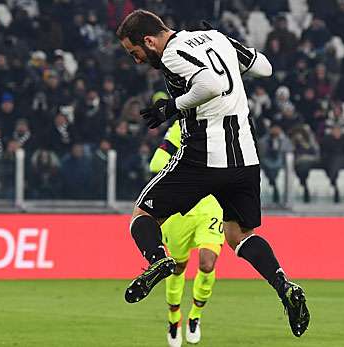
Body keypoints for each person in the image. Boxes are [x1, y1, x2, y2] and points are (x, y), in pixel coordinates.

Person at [116, 10, 309, 337]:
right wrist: (229, 42)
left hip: (203, 156)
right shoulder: (218, 38)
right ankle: (283, 285)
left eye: (136, 53)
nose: (137, 60)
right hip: (245, 158)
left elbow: (211, 83)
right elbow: (264, 67)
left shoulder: (173, 53)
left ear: (149, 40)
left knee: (142, 215)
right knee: (238, 236)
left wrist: (172, 106)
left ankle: (158, 260)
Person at [148, 118, 224, 347]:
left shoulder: (226, 128)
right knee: (178, 267)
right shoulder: (180, 129)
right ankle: (174, 319)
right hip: (179, 210)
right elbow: (156, 162)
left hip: (210, 206)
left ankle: (195, 316)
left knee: (207, 263)